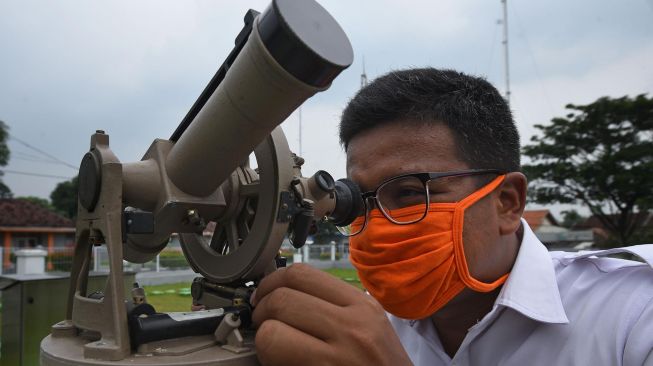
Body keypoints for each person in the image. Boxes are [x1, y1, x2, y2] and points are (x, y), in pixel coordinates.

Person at [251, 68, 653, 365]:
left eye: (409, 192)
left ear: (508, 202)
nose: (377, 224)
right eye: (360, 201)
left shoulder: (632, 318)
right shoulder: (355, 327)